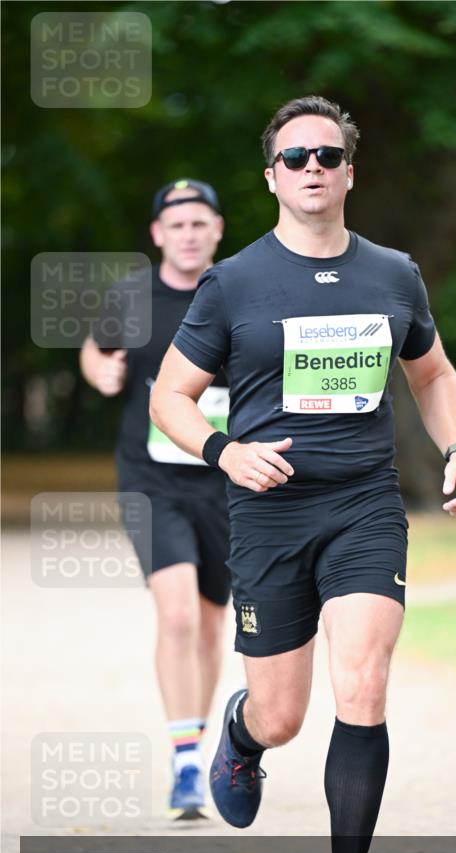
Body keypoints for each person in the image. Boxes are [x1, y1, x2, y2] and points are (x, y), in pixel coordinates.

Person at [150, 96, 456, 853]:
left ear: (348, 173)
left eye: (327, 156)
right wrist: (225, 451)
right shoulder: (234, 282)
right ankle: (239, 733)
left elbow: (435, 373)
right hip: (267, 513)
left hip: (364, 503)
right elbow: (169, 397)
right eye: (295, 157)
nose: (311, 168)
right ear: (271, 176)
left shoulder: (392, 273)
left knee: (364, 683)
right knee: (283, 715)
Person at [80, 179, 230, 819]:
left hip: (225, 476)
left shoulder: (237, 290)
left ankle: (199, 741)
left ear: (218, 230)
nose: (189, 233)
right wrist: (101, 370)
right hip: (152, 478)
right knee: (176, 616)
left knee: (211, 621)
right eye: (177, 224)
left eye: (200, 223)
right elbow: (97, 347)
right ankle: (188, 762)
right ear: (158, 234)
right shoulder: (132, 295)